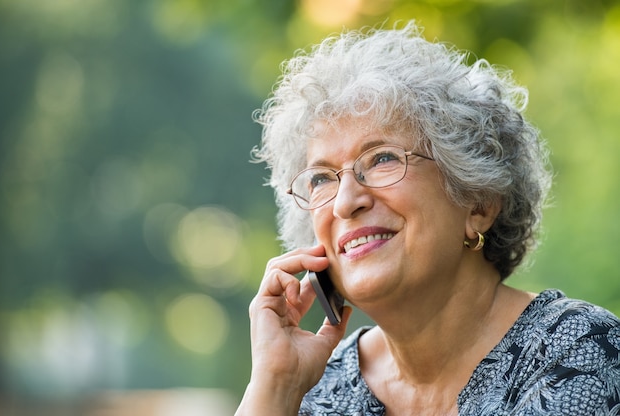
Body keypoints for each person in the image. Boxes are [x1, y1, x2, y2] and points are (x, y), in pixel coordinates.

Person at [236, 22, 620, 415]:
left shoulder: (577, 351)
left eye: (382, 158)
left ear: (478, 203)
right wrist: (274, 386)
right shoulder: (318, 389)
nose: (345, 203)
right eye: (321, 178)